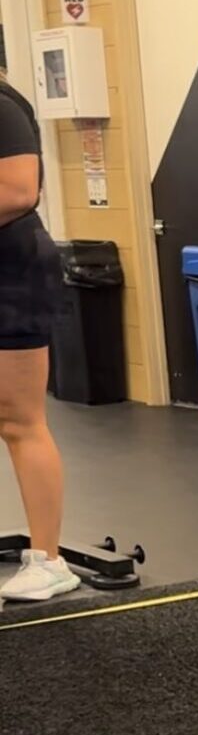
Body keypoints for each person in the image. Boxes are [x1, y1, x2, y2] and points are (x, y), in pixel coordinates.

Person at [0, 73, 79, 604]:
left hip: (11, 272)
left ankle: (49, 560)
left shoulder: (2, 107)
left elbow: (18, 190)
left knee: (18, 419)